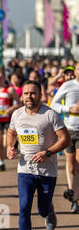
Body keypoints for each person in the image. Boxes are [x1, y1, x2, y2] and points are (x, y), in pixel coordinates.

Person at [7, 80, 71, 230]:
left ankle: (49, 210)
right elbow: (11, 132)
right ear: (22, 96)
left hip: (47, 170)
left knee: (42, 210)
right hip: (25, 169)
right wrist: (10, 146)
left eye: (33, 93)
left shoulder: (50, 114)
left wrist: (47, 153)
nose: (29, 96)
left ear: (40, 95)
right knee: (24, 208)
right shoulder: (17, 114)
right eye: (26, 93)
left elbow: (65, 139)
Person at [50, 62, 79, 213]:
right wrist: (70, 109)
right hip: (69, 130)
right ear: (76, 71)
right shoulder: (68, 86)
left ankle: (75, 197)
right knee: (71, 166)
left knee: (78, 164)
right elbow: (54, 104)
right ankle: (73, 197)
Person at [0, 69, 21, 171]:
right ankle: (1, 163)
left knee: (6, 143)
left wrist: (10, 109)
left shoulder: (10, 90)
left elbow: (19, 103)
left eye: (1, 77)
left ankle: (5, 153)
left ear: (4, 78)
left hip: (8, 119)